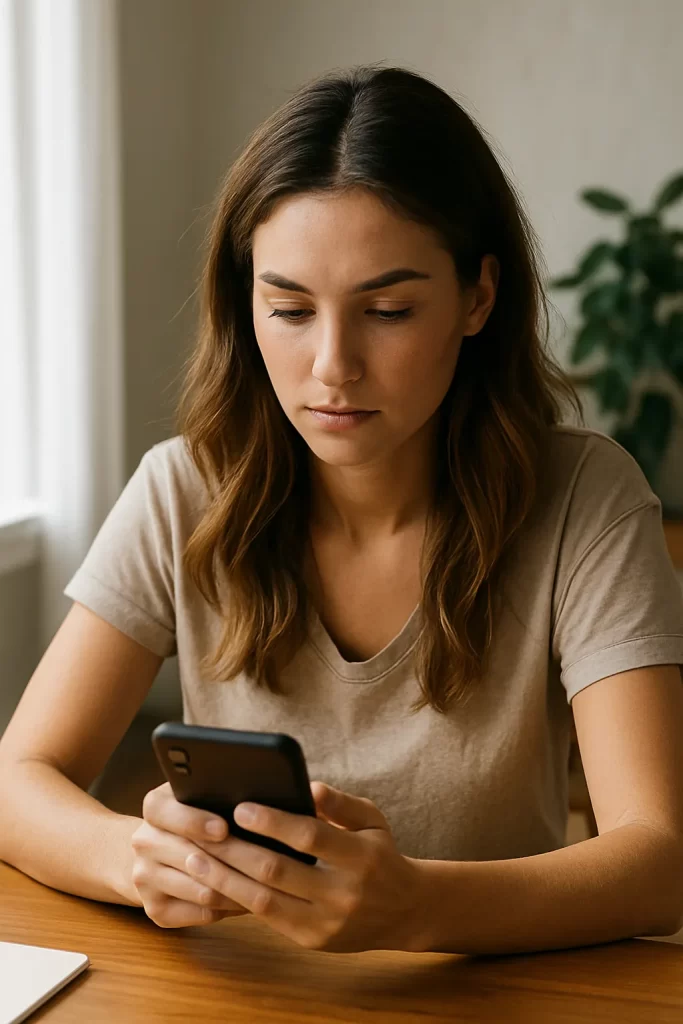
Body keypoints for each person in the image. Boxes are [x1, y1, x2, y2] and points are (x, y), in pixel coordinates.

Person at [1, 63, 682, 957]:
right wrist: (138, 858)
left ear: (478, 297)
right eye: (287, 308)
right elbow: (19, 779)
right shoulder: (182, 490)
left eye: (388, 310)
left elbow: (659, 862)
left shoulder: (584, 501)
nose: (331, 365)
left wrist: (414, 907)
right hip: (242, 1000)